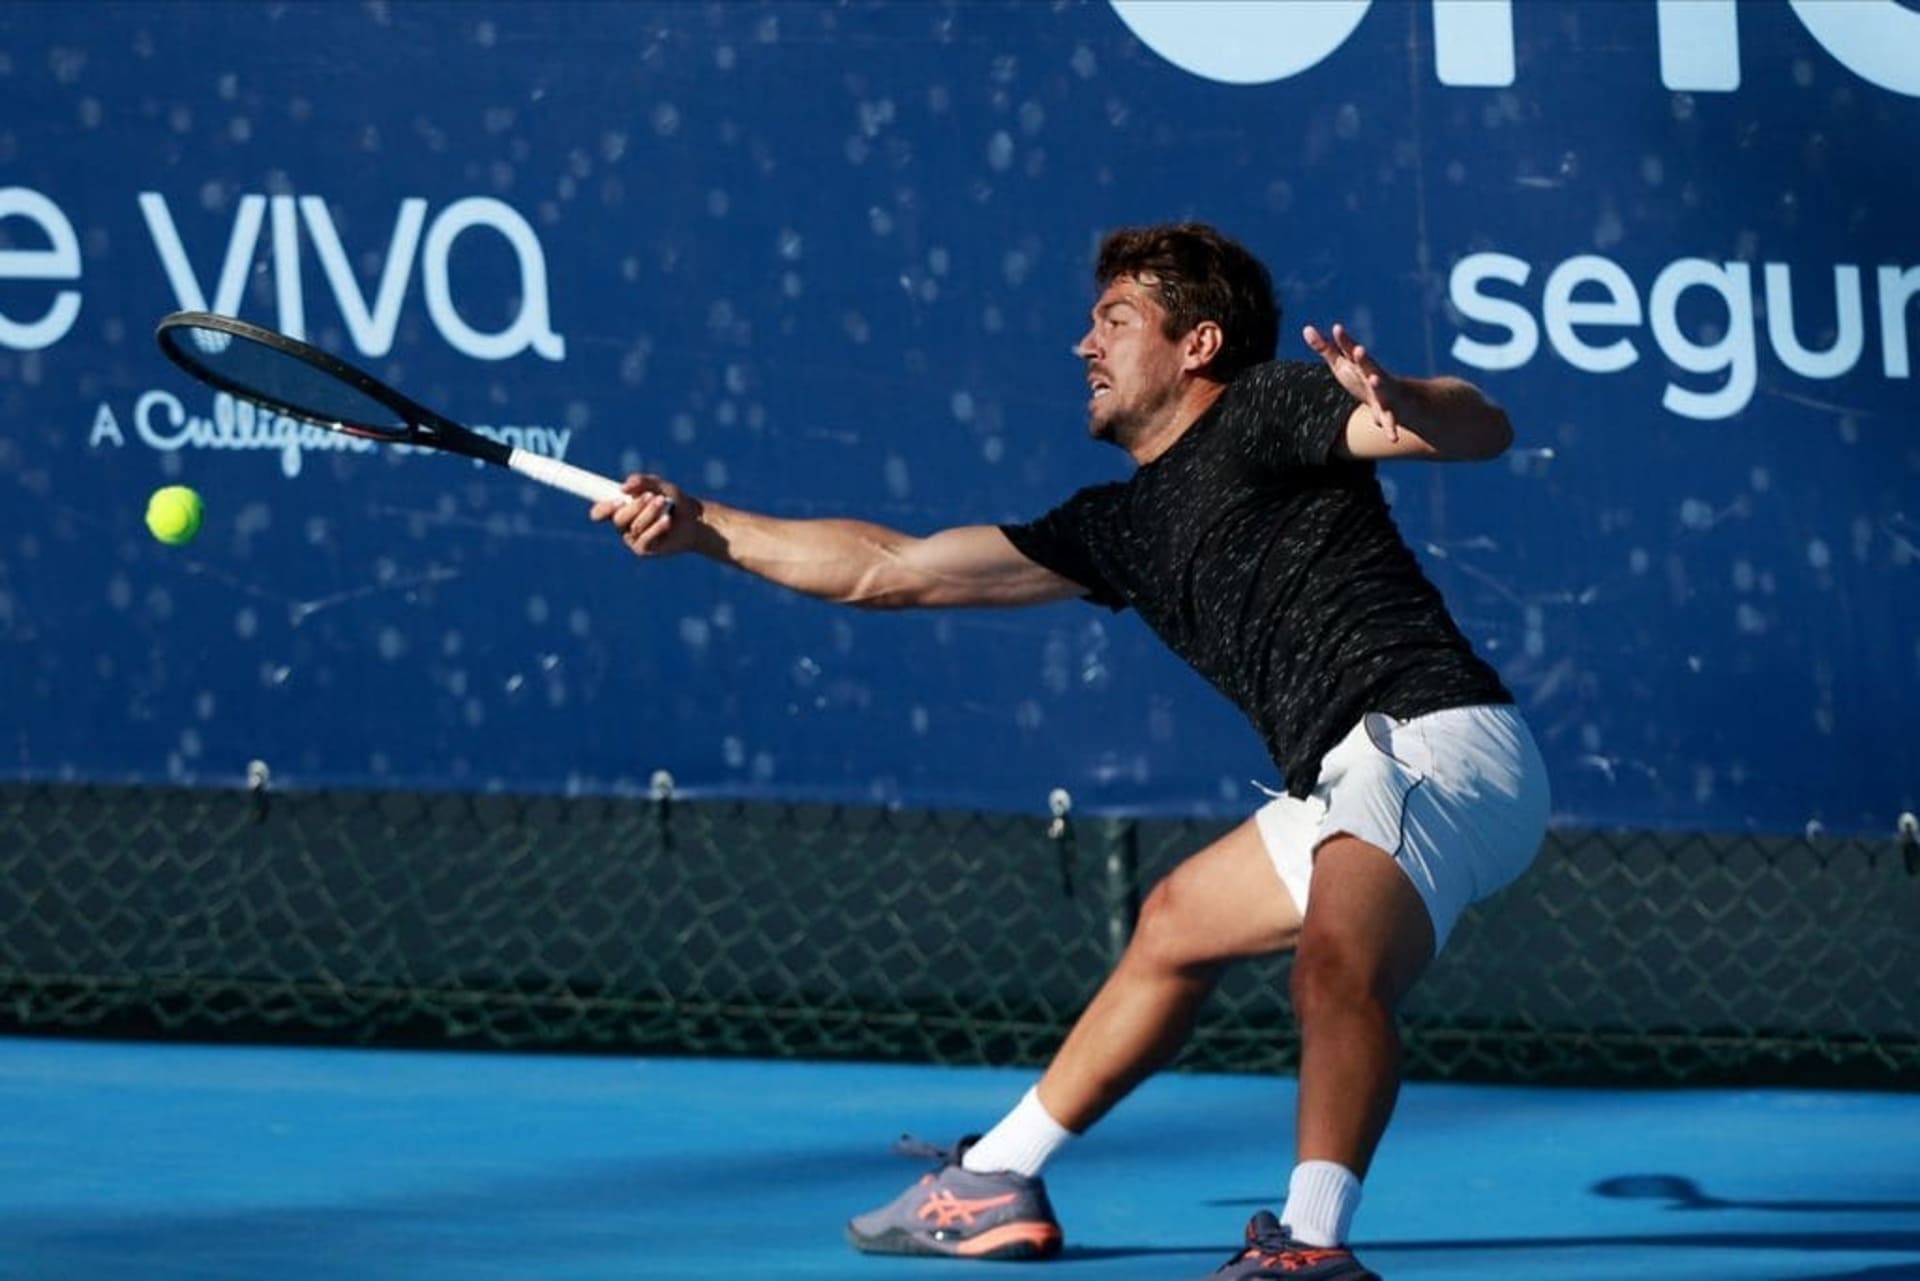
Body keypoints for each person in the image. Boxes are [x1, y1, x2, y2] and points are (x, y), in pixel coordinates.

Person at [590, 222, 1549, 1280]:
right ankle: (995, 1180)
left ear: (1198, 346)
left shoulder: (1268, 407)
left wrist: (1407, 406)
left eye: (1115, 320)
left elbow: (1481, 427)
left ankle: (1311, 1249)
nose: (1084, 346)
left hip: (1427, 740)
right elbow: (889, 568)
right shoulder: (1120, 526)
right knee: (1179, 921)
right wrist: (702, 525)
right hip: (1347, 774)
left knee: (1335, 970)